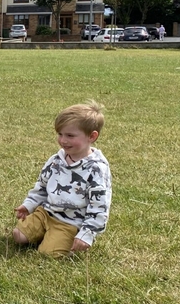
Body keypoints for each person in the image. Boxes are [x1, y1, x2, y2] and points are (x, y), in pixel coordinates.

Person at [11, 100, 112, 257]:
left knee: (47, 254)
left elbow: (99, 206)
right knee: (18, 235)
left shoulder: (96, 169)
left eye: (70, 136)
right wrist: (29, 205)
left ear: (92, 136)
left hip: (70, 223)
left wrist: (87, 234)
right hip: (46, 213)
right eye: (60, 134)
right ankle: (48, 234)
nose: (63, 140)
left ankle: (67, 240)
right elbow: (42, 186)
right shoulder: (56, 160)